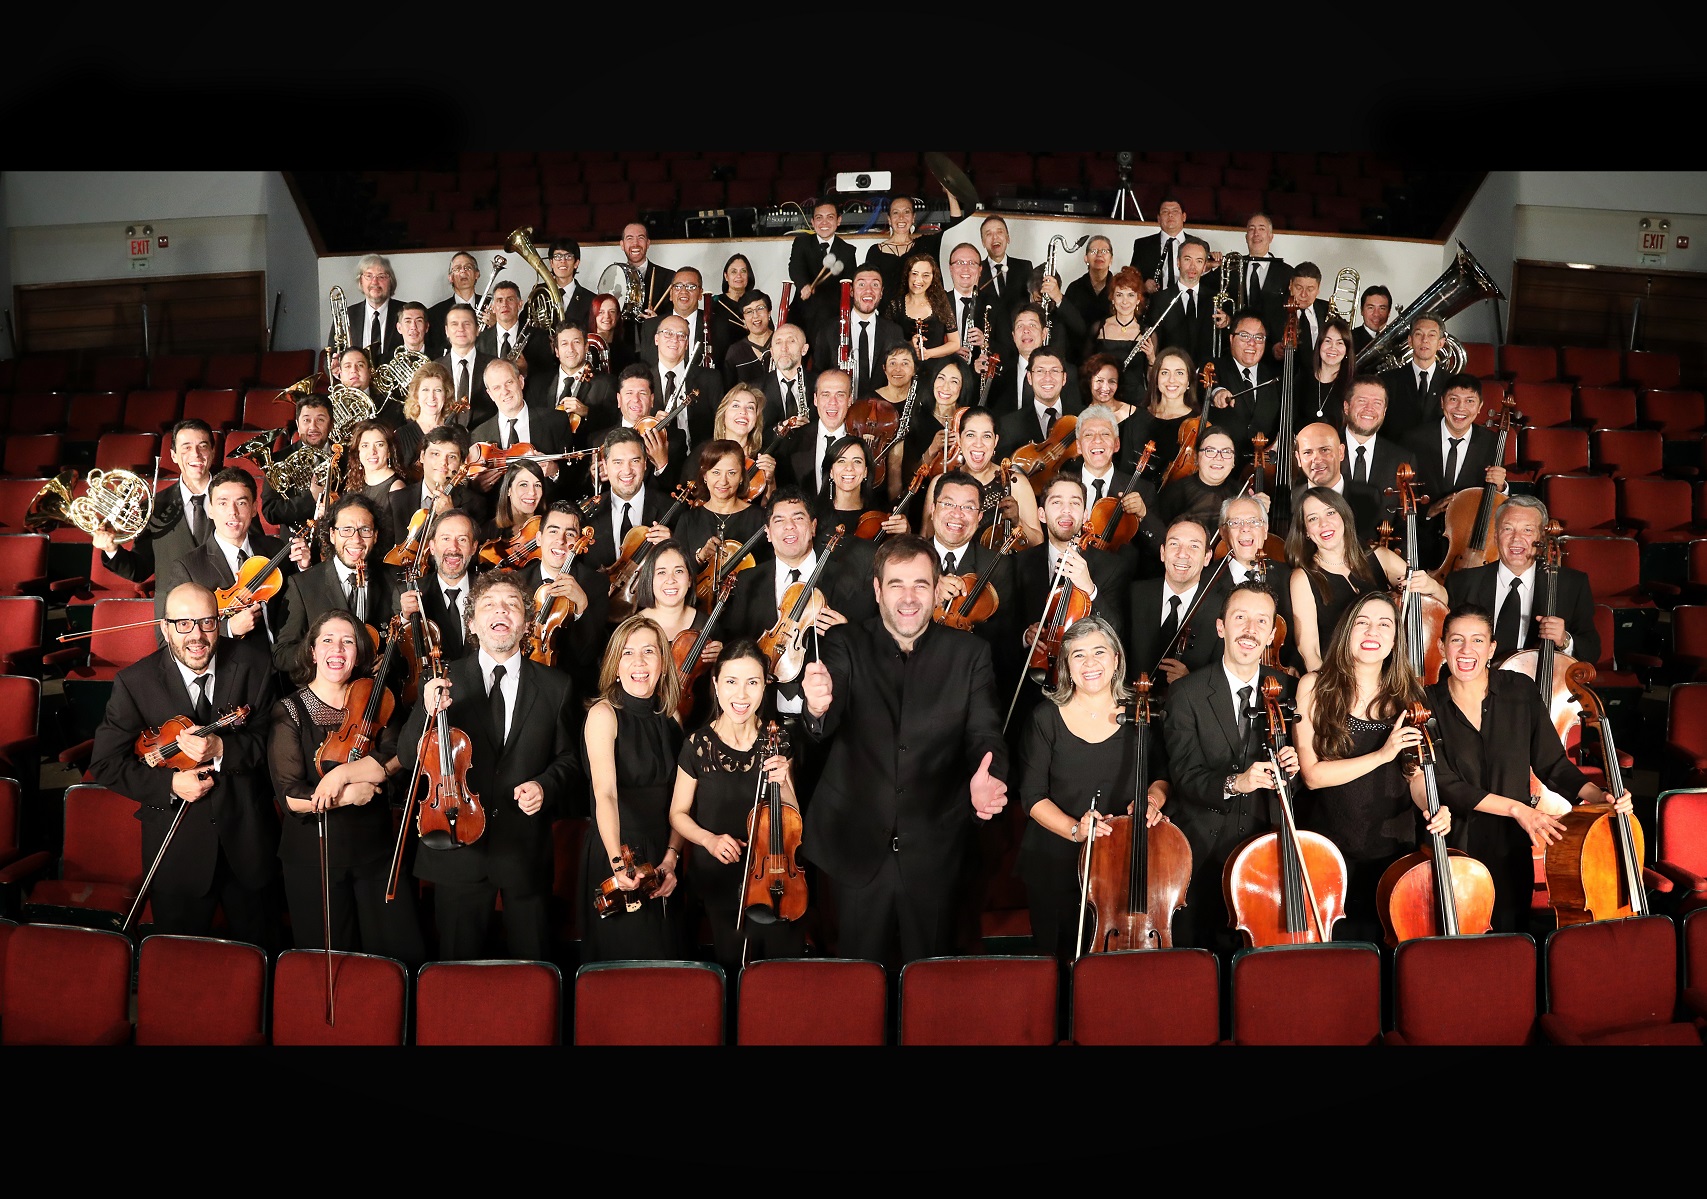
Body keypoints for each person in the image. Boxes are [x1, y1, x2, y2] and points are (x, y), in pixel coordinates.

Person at [800, 534, 1009, 966]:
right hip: (854, 847)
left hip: (935, 849)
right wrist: (817, 707)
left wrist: (987, 776)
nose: (909, 598)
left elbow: (986, 735)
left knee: (930, 983)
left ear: (936, 589)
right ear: (878, 590)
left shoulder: (970, 655)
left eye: (920, 584)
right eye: (896, 584)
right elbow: (825, 716)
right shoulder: (844, 643)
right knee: (857, 984)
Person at [399, 568, 581, 961]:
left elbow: (569, 760)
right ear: (471, 623)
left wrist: (545, 785)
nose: (501, 611)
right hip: (458, 844)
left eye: (512, 605)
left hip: (525, 853)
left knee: (534, 970)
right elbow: (408, 756)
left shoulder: (557, 686)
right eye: (489, 605)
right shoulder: (443, 678)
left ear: (527, 624)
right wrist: (425, 712)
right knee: (456, 970)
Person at [90, 582, 280, 948]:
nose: (197, 635)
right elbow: (106, 763)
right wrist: (171, 785)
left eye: (207, 622)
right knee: (179, 964)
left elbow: (271, 742)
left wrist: (222, 747)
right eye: (183, 624)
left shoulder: (255, 664)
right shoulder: (135, 682)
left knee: (261, 953)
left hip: (249, 843)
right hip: (177, 852)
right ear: (165, 628)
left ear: (218, 622)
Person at [1426, 603, 1634, 934]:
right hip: (1455, 845)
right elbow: (1445, 784)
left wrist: (1600, 795)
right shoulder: (1426, 704)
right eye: (1457, 640)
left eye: (1478, 640)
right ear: (1441, 647)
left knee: (1512, 942)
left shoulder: (1519, 691)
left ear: (1491, 648)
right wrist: (1517, 809)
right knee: (1459, 943)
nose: (1467, 650)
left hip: (1511, 847)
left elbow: (1552, 762)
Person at [1292, 590, 1451, 942]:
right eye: (1362, 623)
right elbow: (1313, 776)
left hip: (1393, 852)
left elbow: (1415, 775)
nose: (1372, 632)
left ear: (1395, 640)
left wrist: (1431, 806)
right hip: (1330, 852)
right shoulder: (1315, 687)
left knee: (1393, 950)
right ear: (1346, 631)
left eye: (1384, 625)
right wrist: (1381, 755)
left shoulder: (1410, 697)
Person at [267, 609, 424, 964]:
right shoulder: (289, 711)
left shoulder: (376, 698)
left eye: (348, 642)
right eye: (327, 640)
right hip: (315, 858)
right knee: (331, 965)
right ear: (312, 652)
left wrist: (342, 775)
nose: (337, 649)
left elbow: (398, 755)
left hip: (376, 852)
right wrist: (348, 795)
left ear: (358, 654)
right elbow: (292, 798)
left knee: (397, 957)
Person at [1016, 616, 1170, 962]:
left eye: (1099, 652)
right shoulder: (1045, 718)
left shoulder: (1142, 714)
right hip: (1056, 862)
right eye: (1078, 655)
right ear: (1066, 666)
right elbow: (1033, 796)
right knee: (1058, 962)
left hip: (1124, 862)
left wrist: (1152, 799)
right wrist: (1076, 829)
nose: (1090, 663)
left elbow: (1163, 776)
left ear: (1116, 659)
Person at [1159, 581, 1298, 953]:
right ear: (1221, 627)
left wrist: (1292, 770)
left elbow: (1299, 783)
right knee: (1196, 960)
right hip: (1201, 851)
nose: (1250, 630)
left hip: (1266, 850)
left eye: (1261, 621)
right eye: (1240, 618)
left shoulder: (1289, 690)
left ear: (1272, 634)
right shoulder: (1186, 693)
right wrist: (1237, 782)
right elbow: (1185, 777)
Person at [669, 641, 808, 976]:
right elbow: (677, 814)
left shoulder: (779, 742)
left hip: (775, 879)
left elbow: (792, 818)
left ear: (765, 685)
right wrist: (709, 840)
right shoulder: (697, 745)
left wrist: (784, 781)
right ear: (716, 684)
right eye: (731, 681)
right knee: (730, 973)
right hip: (718, 880)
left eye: (752, 682)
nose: (741, 694)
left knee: (779, 976)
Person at [582, 614, 686, 961]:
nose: (639, 662)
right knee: (622, 966)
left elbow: (680, 801)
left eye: (649, 652)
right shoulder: (603, 715)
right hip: (617, 848)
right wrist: (618, 865)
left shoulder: (672, 718)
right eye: (627, 653)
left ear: (662, 664)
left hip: (663, 855)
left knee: (668, 962)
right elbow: (606, 794)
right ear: (615, 666)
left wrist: (671, 858)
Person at [1288, 485, 1447, 672]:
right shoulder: (1303, 578)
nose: (1324, 523)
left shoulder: (1380, 557)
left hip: (1391, 672)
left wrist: (1432, 587)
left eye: (1330, 513)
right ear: (1305, 531)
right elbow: (1309, 650)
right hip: (1339, 675)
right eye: (1313, 518)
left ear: (1344, 516)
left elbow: (1439, 603)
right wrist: (1327, 685)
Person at [1444, 494, 1598, 666]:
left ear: (1541, 538)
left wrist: (1564, 640)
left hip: (1538, 681)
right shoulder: (1461, 582)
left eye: (1527, 530)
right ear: (1495, 536)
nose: (1516, 538)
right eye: (1507, 529)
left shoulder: (1572, 585)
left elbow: (1592, 651)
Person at [159, 467, 292, 646]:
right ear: (210, 510)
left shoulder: (276, 548)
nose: (233, 512)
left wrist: (304, 567)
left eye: (241, 503)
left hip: (280, 657)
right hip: (229, 661)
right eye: (223, 503)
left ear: (254, 508)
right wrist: (228, 628)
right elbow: (176, 633)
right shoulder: (188, 568)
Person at [271, 494, 396, 673]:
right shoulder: (303, 585)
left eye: (365, 530)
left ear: (375, 535)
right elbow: (282, 654)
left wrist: (392, 659)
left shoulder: (394, 579)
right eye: (346, 530)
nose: (356, 539)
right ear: (332, 535)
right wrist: (319, 654)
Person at [95, 417, 221, 585]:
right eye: (186, 447)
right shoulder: (153, 506)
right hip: (172, 600)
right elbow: (139, 570)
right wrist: (112, 549)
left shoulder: (235, 498)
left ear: (213, 451)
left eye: (203, 446)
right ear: (173, 455)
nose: (196, 454)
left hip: (228, 599)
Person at [922, 406, 1041, 550]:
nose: (978, 444)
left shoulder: (1016, 482)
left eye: (986, 436)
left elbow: (1038, 542)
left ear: (995, 441)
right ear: (959, 439)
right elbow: (926, 538)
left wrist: (1018, 522)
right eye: (970, 435)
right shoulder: (940, 482)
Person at [518, 500, 604, 695]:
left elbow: (587, 656)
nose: (561, 540)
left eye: (570, 534)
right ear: (539, 538)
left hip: (571, 687)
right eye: (553, 531)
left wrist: (581, 605)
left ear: (579, 541)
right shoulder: (518, 582)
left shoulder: (595, 584)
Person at [1065, 402, 1163, 574]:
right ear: (1079, 446)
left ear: (1116, 444)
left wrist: (1143, 515)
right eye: (1088, 434)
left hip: (1122, 581)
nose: (1097, 440)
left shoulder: (1142, 489)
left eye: (1105, 434)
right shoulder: (1062, 486)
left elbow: (1160, 550)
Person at [1206, 494, 1298, 670]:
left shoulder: (1289, 578)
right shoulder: (1205, 581)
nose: (1245, 529)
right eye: (1235, 523)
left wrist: (1294, 666)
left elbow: (1304, 635)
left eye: (1254, 522)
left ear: (1265, 529)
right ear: (1223, 533)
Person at [1128, 517, 1222, 687]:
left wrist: (1189, 682)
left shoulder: (1221, 609)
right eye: (1174, 544)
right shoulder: (1135, 595)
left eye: (1194, 546)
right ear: (1162, 553)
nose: (1182, 554)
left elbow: (1221, 681)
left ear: (1207, 557)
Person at [469, 358, 571, 501]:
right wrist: (477, 487)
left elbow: (575, 475)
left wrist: (555, 472)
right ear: (490, 394)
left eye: (509, 382)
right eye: (497, 388)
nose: (505, 391)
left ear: (521, 382)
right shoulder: (479, 434)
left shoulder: (556, 421)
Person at [587, 426, 673, 578]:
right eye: (618, 462)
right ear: (605, 466)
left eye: (635, 461)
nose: (627, 471)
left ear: (645, 463)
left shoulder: (671, 509)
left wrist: (673, 547)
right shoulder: (587, 514)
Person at [396, 508, 480, 662]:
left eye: (462, 539)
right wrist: (406, 619)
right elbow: (398, 658)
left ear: (473, 548)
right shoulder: (407, 593)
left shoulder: (489, 591)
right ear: (432, 547)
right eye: (445, 539)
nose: (453, 548)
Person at [672, 439, 767, 572]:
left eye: (731, 473)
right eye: (716, 472)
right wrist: (701, 557)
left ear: (741, 476)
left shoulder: (761, 518)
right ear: (705, 475)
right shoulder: (688, 520)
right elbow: (676, 571)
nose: (723, 481)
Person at [814, 266, 902, 400]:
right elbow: (819, 374)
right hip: (840, 407)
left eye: (875, 285)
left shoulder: (894, 332)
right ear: (851, 291)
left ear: (881, 292)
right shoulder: (829, 330)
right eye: (861, 284)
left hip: (879, 408)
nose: (869, 290)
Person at [1291, 420, 1385, 543]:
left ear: (1341, 452)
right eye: (1307, 452)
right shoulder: (1289, 499)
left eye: (1325, 450)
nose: (1317, 460)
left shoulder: (1368, 497)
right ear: (1298, 458)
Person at [1206, 309, 1282, 454]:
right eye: (1244, 336)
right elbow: (1205, 388)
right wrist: (1217, 392)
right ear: (1231, 339)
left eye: (1258, 337)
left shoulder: (1275, 376)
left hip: (1263, 462)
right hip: (1223, 460)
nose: (1252, 343)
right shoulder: (1213, 367)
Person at [259, 393, 334, 535]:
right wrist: (311, 497)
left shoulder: (346, 456)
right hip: (295, 542)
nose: (313, 427)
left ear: (331, 424)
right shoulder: (278, 460)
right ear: (298, 425)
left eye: (320, 420)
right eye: (306, 420)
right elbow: (270, 511)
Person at [1144, 237, 1224, 368]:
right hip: (1172, 371)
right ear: (1178, 262)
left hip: (1206, 373)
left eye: (1199, 261)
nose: (1192, 266)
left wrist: (1228, 322)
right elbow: (1154, 342)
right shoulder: (1159, 299)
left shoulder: (1216, 299)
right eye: (1187, 259)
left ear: (1204, 266)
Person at [528, 321, 615, 438]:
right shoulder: (537, 383)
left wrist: (587, 412)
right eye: (564, 344)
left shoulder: (606, 384)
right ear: (557, 351)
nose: (571, 349)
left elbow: (613, 423)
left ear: (586, 347)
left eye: (576, 342)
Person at [1158, 426, 1251, 532]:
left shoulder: (1242, 493)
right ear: (1197, 457)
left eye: (1226, 452)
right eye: (1210, 451)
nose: (1218, 458)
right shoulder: (1174, 492)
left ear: (1233, 461)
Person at [864, 194, 953, 303]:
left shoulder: (925, 244)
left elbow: (955, 224)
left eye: (906, 212)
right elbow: (870, 287)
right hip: (886, 313)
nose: (901, 217)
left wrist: (951, 195)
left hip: (922, 311)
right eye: (895, 212)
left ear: (913, 217)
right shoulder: (875, 252)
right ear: (889, 219)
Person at [1340, 377, 1418, 503]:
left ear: (1384, 411)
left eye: (1377, 403)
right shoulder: (1324, 451)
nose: (1369, 408)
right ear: (1346, 407)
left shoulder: (1402, 460)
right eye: (1362, 401)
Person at [789, 201, 859, 341]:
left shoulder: (847, 250)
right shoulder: (801, 243)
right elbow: (796, 267)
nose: (824, 222)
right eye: (819, 218)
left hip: (832, 313)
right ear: (813, 222)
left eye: (830, 217)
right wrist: (803, 285)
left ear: (838, 220)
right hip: (804, 309)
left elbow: (849, 281)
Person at [995, 347, 1082, 458]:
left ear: (1064, 378)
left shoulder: (1083, 417)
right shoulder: (1009, 426)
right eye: (1040, 371)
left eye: (1054, 371)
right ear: (1029, 377)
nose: (1048, 378)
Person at [780, 368, 855, 496]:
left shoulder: (860, 439)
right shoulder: (794, 441)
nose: (833, 402)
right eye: (826, 394)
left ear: (850, 400)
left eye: (840, 395)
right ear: (815, 399)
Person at [341, 418, 406, 556]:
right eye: (365, 445)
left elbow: (399, 542)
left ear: (389, 451)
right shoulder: (354, 485)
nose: (372, 451)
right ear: (358, 451)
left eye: (379, 445)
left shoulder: (397, 488)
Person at [888, 252, 961, 373]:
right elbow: (887, 343)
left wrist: (929, 353)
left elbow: (955, 343)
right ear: (907, 275)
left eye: (925, 275)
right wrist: (909, 344)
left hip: (937, 371)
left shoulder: (941, 303)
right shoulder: (895, 305)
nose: (918, 280)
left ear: (933, 278)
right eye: (914, 274)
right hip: (904, 372)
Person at [1380, 315, 1449, 440]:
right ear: (1410, 341)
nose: (1424, 340)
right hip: (1397, 450)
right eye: (1418, 334)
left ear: (1440, 343)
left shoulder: (1452, 383)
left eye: (1431, 335)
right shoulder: (1387, 381)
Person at [713, 383, 780, 502]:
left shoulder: (764, 456)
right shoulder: (705, 453)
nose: (743, 412)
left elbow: (771, 508)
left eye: (750, 407)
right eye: (736, 405)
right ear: (723, 415)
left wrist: (770, 481)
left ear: (756, 419)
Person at [336, 254, 407, 364]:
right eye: (369, 276)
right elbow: (333, 353)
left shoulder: (406, 313)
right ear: (361, 281)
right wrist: (335, 366)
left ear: (390, 281)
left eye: (381, 276)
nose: (374, 282)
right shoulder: (347, 315)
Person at [437, 302, 498, 431]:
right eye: (454, 324)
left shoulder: (494, 365)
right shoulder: (435, 368)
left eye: (467, 324)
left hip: (487, 437)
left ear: (477, 330)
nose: (461, 329)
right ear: (446, 331)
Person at [642, 266, 713, 372]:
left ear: (700, 294)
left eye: (691, 287)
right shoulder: (650, 326)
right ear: (671, 293)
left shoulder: (717, 325)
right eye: (678, 286)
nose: (683, 291)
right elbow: (646, 368)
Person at [945, 243, 1000, 381]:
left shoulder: (996, 305)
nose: (965, 268)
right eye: (959, 263)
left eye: (972, 263)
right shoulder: (938, 303)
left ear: (980, 270)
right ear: (950, 269)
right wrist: (949, 351)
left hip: (978, 382)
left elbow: (1008, 347)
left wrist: (985, 343)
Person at [475, 280, 550, 380]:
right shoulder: (481, 340)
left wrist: (526, 369)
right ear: (493, 307)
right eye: (499, 300)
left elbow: (548, 375)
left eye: (510, 299)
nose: (504, 305)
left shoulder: (539, 337)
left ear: (520, 304)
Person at [1142, 347, 1201, 471]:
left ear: (1189, 381)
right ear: (1156, 379)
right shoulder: (1139, 416)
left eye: (1179, 373)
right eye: (1165, 372)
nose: (1172, 380)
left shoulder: (1197, 423)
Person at [1086, 267, 1152, 378]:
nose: (1125, 301)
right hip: (1105, 388)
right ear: (1112, 298)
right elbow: (1087, 370)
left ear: (1138, 299)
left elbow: (1152, 380)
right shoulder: (1098, 328)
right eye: (1119, 295)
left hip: (1135, 389)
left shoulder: (1146, 333)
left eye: (1130, 295)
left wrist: (1151, 359)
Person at [1265, 262, 1329, 365]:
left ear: (1318, 288)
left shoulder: (1327, 309)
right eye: (1299, 288)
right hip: (1280, 373)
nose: (1303, 294)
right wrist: (1273, 350)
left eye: (1310, 289)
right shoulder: (1271, 309)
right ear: (1290, 285)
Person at [1298, 315, 1357, 426]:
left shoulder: (1353, 385)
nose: (1332, 348)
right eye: (1328, 341)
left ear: (1347, 350)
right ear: (1319, 345)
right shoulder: (1302, 379)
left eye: (1340, 343)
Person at [479, 460, 547, 549]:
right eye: (523, 484)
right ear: (508, 490)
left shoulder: (548, 526)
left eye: (537, 485)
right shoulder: (489, 531)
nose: (532, 492)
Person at [397, 361, 453, 471]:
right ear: (416, 395)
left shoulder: (454, 433)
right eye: (425, 390)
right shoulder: (401, 436)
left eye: (438, 390)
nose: (431, 397)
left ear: (446, 395)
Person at [426, 251, 482, 358]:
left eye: (468, 267)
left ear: (477, 274)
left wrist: (496, 325)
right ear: (450, 277)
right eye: (457, 269)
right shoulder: (434, 313)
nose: (463, 271)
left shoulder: (493, 306)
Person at [755, 322, 810, 430]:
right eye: (778, 342)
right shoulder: (755, 389)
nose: (784, 348)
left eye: (791, 341)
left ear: (804, 349)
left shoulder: (821, 385)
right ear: (772, 352)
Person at [1237, 212, 1293, 314]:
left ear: (1270, 237)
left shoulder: (1287, 272)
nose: (1256, 234)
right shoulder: (1233, 265)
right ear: (1246, 237)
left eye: (1261, 229)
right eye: (1251, 229)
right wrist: (1209, 266)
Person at [978, 215, 1032, 317]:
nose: (995, 237)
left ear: (1008, 238)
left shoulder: (1024, 267)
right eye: (989, 234)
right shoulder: (976, 270)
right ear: (983, 242)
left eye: (999, 232)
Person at [619, 222, 675, 319]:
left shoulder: (669, 277)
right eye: (629, 238)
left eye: (641, 238)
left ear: (648, 243)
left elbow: (674, 315)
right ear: (622, 245)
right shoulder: (615, 277)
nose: (635, 243)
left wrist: (657, 321)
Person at [1063, 235, 1117, 333]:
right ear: (1086, 258)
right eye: (1093, 251)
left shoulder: (1119, 288)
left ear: (1111, 259)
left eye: (1104, 251)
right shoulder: (1074, 288)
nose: (1099, 254)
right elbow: (1066, 322)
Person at [723, 290, 774, 388]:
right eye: (749, 311)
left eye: (760, 308)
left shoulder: (782, 343)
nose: (755, 315)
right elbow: (730, 390)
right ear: (743, 319)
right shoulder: (735, 352)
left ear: (769, 313)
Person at [547, 237, 594, 328]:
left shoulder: (590, 300)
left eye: (568, 256)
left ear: (576, 263)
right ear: (551, 263)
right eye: (557, 256)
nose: (563, 261)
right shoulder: (539, 294)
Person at [1352, 285, 1393, 354]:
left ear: (1389, 312)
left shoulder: (1398, 337)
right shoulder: (1349, 339)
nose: (1376, 314)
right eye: (1371, 308)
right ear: (1362, 310)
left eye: (1382, 308)